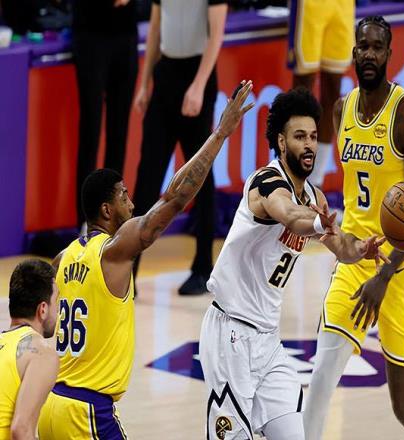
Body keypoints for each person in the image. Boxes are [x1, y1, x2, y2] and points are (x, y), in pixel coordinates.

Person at [37, 81, 254, 439]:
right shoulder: (113, 251)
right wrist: (220, 134)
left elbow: (44, 328)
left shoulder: (62, 259)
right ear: (106, 210)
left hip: (51, 403)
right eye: (124, 197)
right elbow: (175, 198)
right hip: (87, 411)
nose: (132, 203)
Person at [199, 88, 386, 440]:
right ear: (282, 143)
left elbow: (340, 246)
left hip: (267, 340)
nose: (309, 145)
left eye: (313, 137)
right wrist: (317, 223)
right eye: (300, 137)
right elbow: (288, 214)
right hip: (230, 334)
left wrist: (362, 248)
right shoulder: (266, 181)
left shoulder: (314, 196)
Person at [304, 16, 404, 440]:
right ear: (353, 52)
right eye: (363, 46)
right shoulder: (341, 109)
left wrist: (384, 275)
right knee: (321, 378)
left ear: (389, 54)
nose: (368, 54)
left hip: (399, 271)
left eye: (377, 48)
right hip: (353, 260)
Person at [133, 0, 228, 295]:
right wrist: (145, 82)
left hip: (196, 73)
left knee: (200, 177)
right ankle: (128, 270)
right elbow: (156, 28)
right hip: (165, 74)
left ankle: (203, 267)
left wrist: (198, 85)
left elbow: (216, 34)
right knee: (147, 177)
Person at [74, 0, 139, 225]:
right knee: (90, 132)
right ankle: (86, 223)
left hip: (126, 33)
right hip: (91, 32)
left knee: (118, 133)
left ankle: (114, 219)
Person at [287, 0, 354, 188]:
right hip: (311, 6)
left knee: (333, 92)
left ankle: (316, 181)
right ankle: (295, 177)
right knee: (302, 96)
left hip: (342, 5)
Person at [0, 260, 59, 440]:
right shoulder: (41, 353)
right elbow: (21, 429)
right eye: (56, 301)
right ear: (43, 309)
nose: (58, 310)